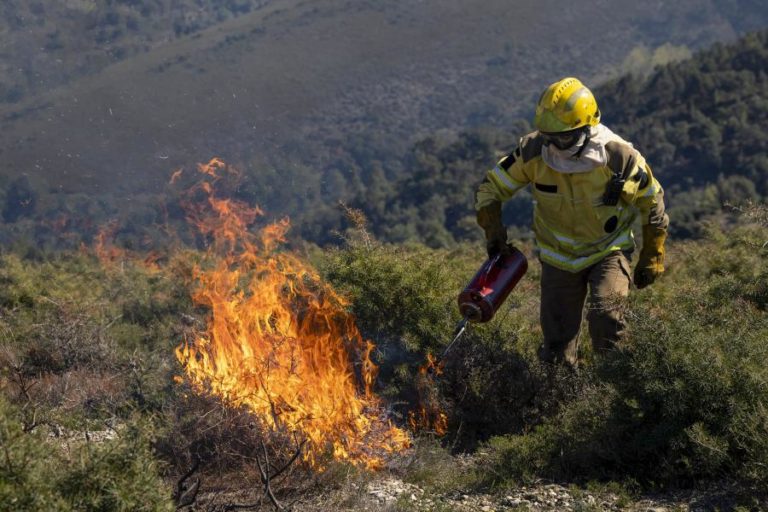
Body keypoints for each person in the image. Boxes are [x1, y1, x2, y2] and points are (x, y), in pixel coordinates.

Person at [475, 77, 669, 366]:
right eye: (548, 136)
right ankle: (561, 400)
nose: (554, 145)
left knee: (607, 320)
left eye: (562, 137)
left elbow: (652, 201)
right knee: (556, 346)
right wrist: (493, 231)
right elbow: (491, 187)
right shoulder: (533, 150)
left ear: (586, 127)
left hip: (607, 250)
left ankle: (614, 394)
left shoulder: (619, 157)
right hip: (558, 257)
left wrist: (652, 255)